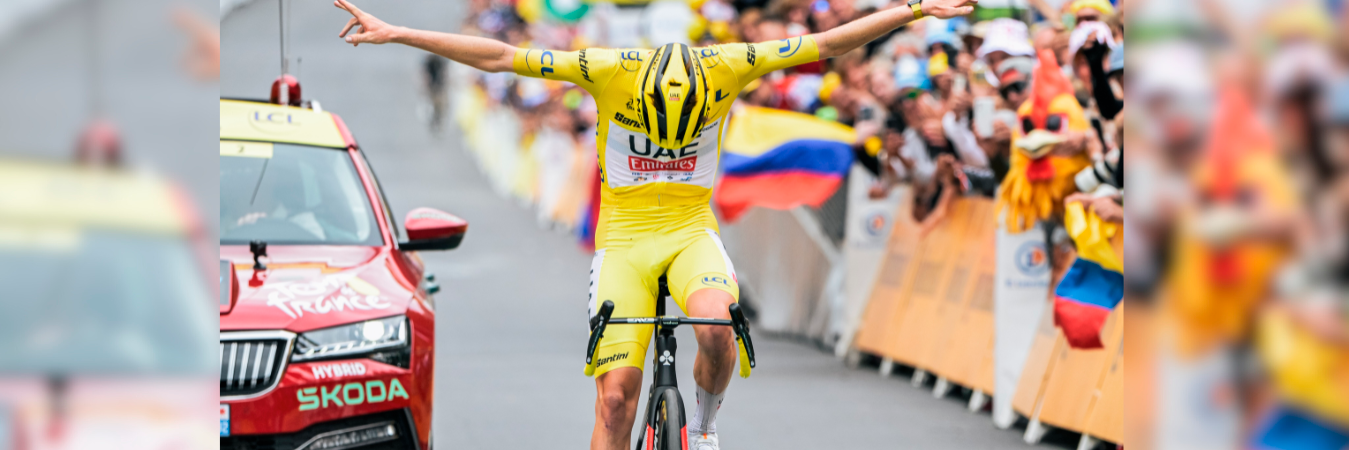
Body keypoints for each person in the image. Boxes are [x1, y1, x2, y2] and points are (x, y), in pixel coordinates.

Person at [331, 0, 977, 448]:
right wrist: (399, 32)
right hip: (624, 242)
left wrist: (912, 10)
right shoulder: (608, 68)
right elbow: (501, 56)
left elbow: (829, 43)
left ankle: (703, 424)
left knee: (719, 331)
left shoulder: (730, 62)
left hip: (692, 230)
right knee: (615, 399)